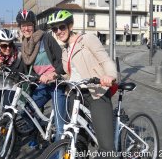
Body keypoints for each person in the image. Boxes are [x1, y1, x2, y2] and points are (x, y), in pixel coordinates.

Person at [47, 10, 117, 159]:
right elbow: (69, 72)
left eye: (62, 27)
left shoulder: (87, 40)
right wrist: (53, 75)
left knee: (107, 147)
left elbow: (105, 60)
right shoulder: (64, 50)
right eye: (55, 29)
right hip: (75, 94)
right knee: (78, 139)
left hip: (96, 92)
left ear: (70, 25)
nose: (58, 32)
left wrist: (109, 75)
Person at [16, 9, 66, 145]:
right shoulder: (25, 44)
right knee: (27, 112)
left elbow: (63, 61)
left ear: (34, 25)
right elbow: (24, 66)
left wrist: (53, 74)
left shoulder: (46, 38)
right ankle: (38, 133)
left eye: (29, 25)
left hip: (56, 84)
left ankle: (58, 153)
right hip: (42, 84)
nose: (26, 28)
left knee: (60, 124)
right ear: (20, 28)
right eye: (23, 25)